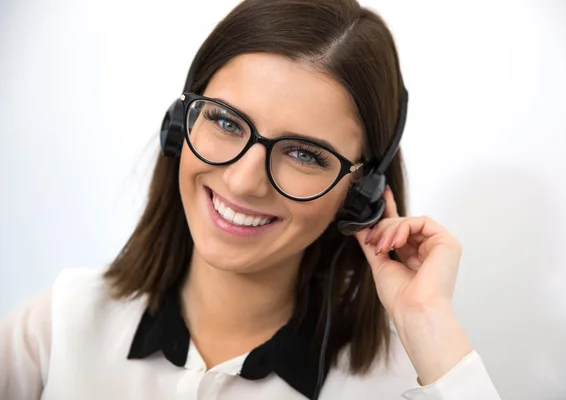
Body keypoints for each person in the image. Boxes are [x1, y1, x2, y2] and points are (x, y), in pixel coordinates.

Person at [0, 0, 501, 399]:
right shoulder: (61, 325)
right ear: (180, 126)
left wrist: (429, 325)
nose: (243, 182)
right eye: (224, 121)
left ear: (361, 194)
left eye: (305, 154)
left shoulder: (396, 386)